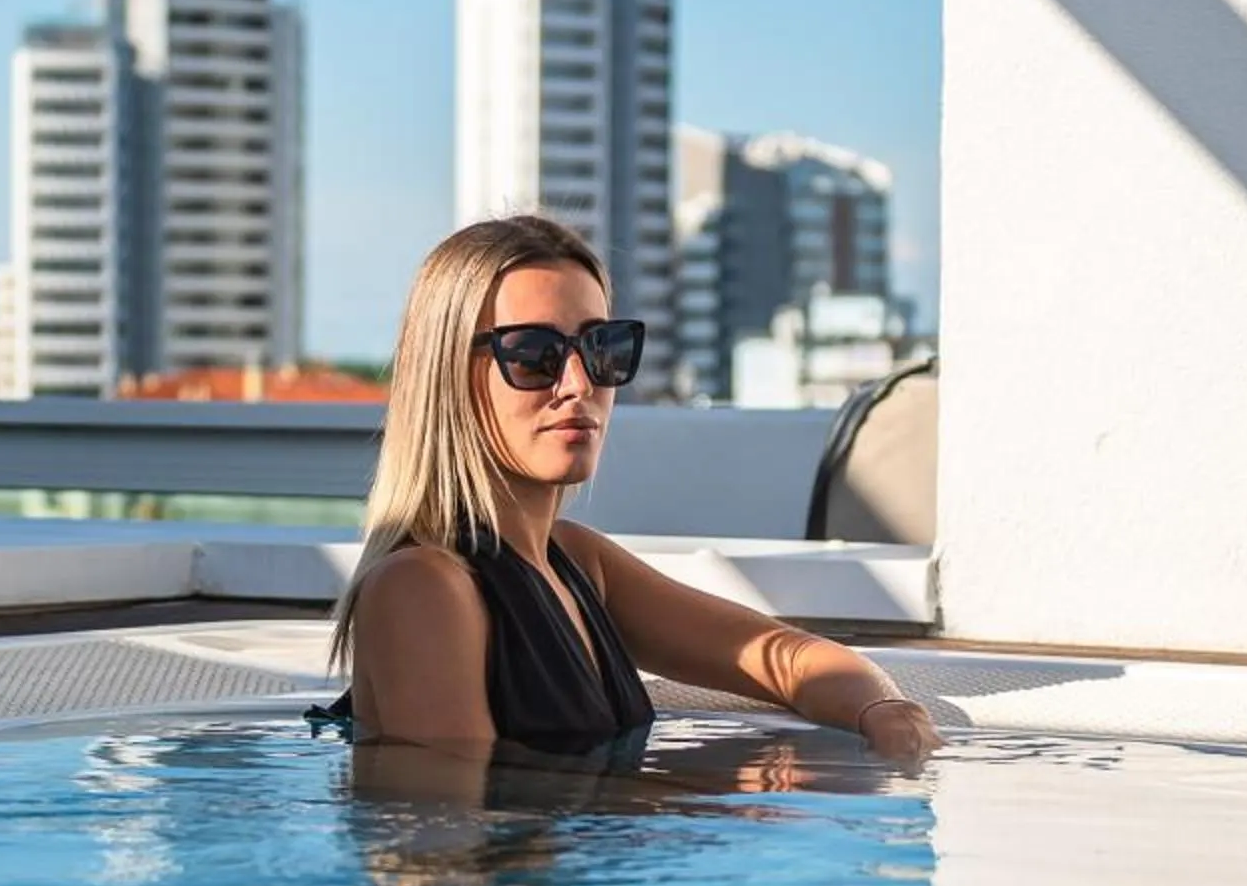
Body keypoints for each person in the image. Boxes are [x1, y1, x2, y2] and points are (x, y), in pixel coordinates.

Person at [324, 214, 939, 766]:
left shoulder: (578, 563)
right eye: (534, 354)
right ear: (449, 376)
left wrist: (880, 711)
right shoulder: (423, 588)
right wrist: (720, 798)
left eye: (602, 348)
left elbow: (787, 658)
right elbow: (457, 839)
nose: (578, 382)